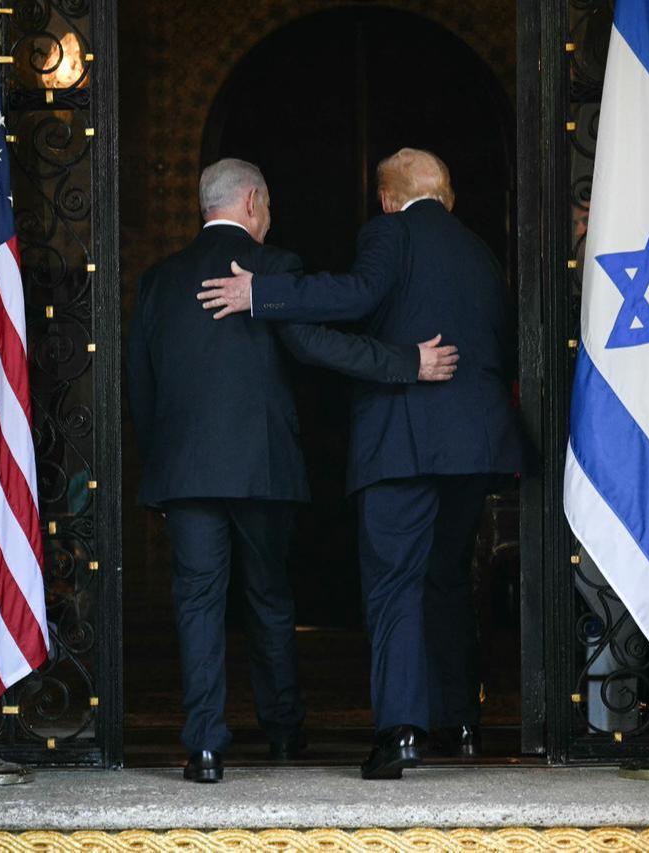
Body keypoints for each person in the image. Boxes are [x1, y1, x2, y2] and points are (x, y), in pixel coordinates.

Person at [127, 158, 459, 783]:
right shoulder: (273, 268)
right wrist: (404, 362)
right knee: (269, 598)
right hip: (263, 470)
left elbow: (139, 388)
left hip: (185, 473)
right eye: (270, 204)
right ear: (253, 203)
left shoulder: (157, 280)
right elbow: (314, 346)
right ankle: (283, 731)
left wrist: (163, 463)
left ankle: (203, 746)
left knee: (197, 603)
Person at [200, 148, 522, 779]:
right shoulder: (481, 251)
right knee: (448, 578)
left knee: (395, 582)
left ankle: (400, 731)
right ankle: (460, 720)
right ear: (446, 193)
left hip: (404, 441)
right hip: (476, 446)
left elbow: (357, 294)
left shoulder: (390, 232)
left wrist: (261, 291)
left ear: (385, 198)